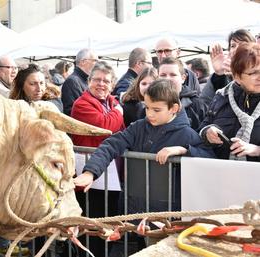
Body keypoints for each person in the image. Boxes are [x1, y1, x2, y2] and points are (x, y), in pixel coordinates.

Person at [74, 79, 215, 255]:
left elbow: (209, 158)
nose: (150, 114)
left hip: (165, 219)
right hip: (130, 212)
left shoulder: (188, 135)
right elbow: (111, 145)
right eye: (147, 107)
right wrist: (90, 172)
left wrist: (185, 151)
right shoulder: (138, 127)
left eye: (156, 110)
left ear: (174, 109)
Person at [71, 61, 124, 257]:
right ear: (88, 81)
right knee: (91, 223)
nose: (101, 84)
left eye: (106, 81)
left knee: (108, 221)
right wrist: (119, 111)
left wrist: (117, 112)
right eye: (97, 80)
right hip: (89, 176)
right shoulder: (82, 104)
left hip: (111, 175)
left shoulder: (112, 102)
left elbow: (122, 132)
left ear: (112, 85)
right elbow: (106, 126)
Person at [199, 42, 260, 162]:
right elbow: (202, 129)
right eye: (253, 73)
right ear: (236, 75)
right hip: (222, 176)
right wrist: (207, 133)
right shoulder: (221, 97)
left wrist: (256, 150)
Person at [200, 29, 256, 108]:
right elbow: (205, 105)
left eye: (243, 44)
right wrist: (219, 75)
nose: (237, 49)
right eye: (233, 46)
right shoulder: (225, 75)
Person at [158, 57, 206, 130]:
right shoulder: (150, 103)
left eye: (173, 75)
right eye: (163, 75)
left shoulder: (196, 105)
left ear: (183, 78)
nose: (167, 79)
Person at [61, 48, 98, 116]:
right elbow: (72, 112)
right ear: (83, 61)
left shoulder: (85, 80)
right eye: (95, 60)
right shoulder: (72, 81)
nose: (97, 64)